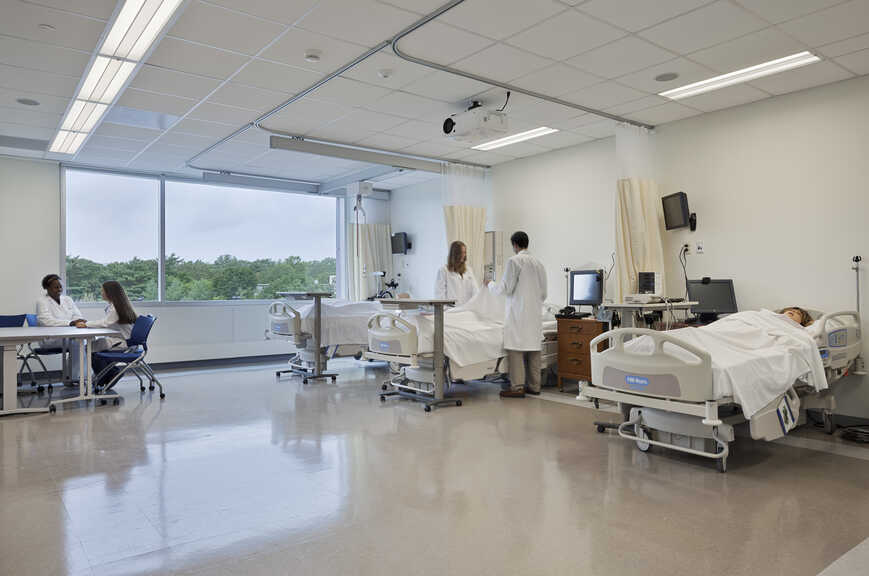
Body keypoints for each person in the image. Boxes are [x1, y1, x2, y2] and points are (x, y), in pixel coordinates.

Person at [490, 231, 547, 398]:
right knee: (534, 350)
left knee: (516, 350)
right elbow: (544, 293)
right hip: (535, 313)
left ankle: (517, 387)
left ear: (514, 245)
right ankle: (535, 386)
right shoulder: (539, 263)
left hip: (518, 313)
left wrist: (491, 284)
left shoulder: (514, 261)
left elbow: (506, 288)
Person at [77, 281, 138, 386]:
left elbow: (105, 323)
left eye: (103, 291)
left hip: (123, 343)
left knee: (90, 348)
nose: (101, 293)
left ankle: (106, 377)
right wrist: (89, 324)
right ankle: (110, 374)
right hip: (121, 340)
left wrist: (86, 324)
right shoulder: (117, 306)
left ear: (110, 293)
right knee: (93, 349)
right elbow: (105, 322)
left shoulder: (115, 308)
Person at [36, 274, 85, 382]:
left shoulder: (67, 299)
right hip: (51, 338)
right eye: (56, 287)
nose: (59, 289)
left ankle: (76, 375)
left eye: (60, 287)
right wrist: (70, 322)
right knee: (78, 342)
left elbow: (77, 315)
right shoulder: (42, 301)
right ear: (47, 288)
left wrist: (78, 321)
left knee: (88, 340)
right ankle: (74, 377)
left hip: (69, 335)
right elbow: (46, 321)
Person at [434, 240, 479, 306]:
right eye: (461, 253)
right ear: (454, 254)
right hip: (451, 311)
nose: (463, 255)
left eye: (464, 252)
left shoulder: (468, 270)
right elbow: (440, 296)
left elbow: (475, 291)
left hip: (467, 310)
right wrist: (445, 310)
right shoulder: (443, 271)